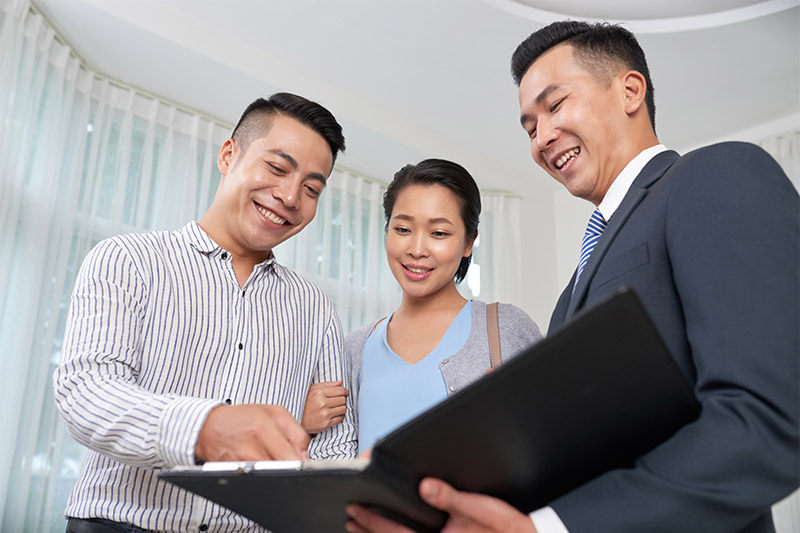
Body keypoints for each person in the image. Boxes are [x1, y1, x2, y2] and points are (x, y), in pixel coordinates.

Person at [346, 21, 799, 533]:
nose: (541, 137)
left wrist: (552, 529)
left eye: (555, 105)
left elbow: (767, 419)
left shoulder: (715, 174)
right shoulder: (569, 298)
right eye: (528, 126)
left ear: (630, 91)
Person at [53, 93, 357, 533]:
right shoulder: (127, 260)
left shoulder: (316, 308)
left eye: (311, 188)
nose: (290, 196)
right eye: (276, 168)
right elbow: (86, 393)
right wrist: (206, 427)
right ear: (229, 154)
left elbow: (333, 444)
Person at [305, 158, 542, 453]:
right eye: (402, 229)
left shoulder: (504, 328)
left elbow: (554, 437)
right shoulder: (351, 350)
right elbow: (333, 461)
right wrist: (304, 425)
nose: (416, 249)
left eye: (439, 233)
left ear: (469, 242)